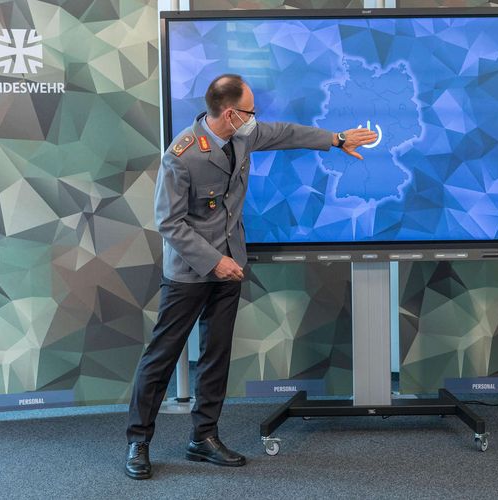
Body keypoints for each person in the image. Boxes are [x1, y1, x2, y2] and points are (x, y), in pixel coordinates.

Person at [124, 74, 377, 480]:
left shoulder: (243, 135)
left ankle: (203, 437)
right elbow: (169, 223)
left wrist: (336, 138)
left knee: (216, 354)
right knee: (162, 356)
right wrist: (213, 261)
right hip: (190, 272)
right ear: (229, 113)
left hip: (232, 263)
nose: (255, 118)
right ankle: (138, 441)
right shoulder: (182, 154)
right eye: (250, 111)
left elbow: (286, 133)